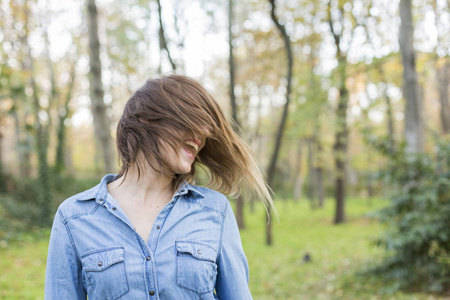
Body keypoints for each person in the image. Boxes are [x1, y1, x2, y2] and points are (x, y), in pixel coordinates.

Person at [44, 75, 273, 299]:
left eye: (206, 126)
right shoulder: (74, 217)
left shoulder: (214, 210)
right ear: (146, 118)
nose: (204, 132)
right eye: (192, 119)